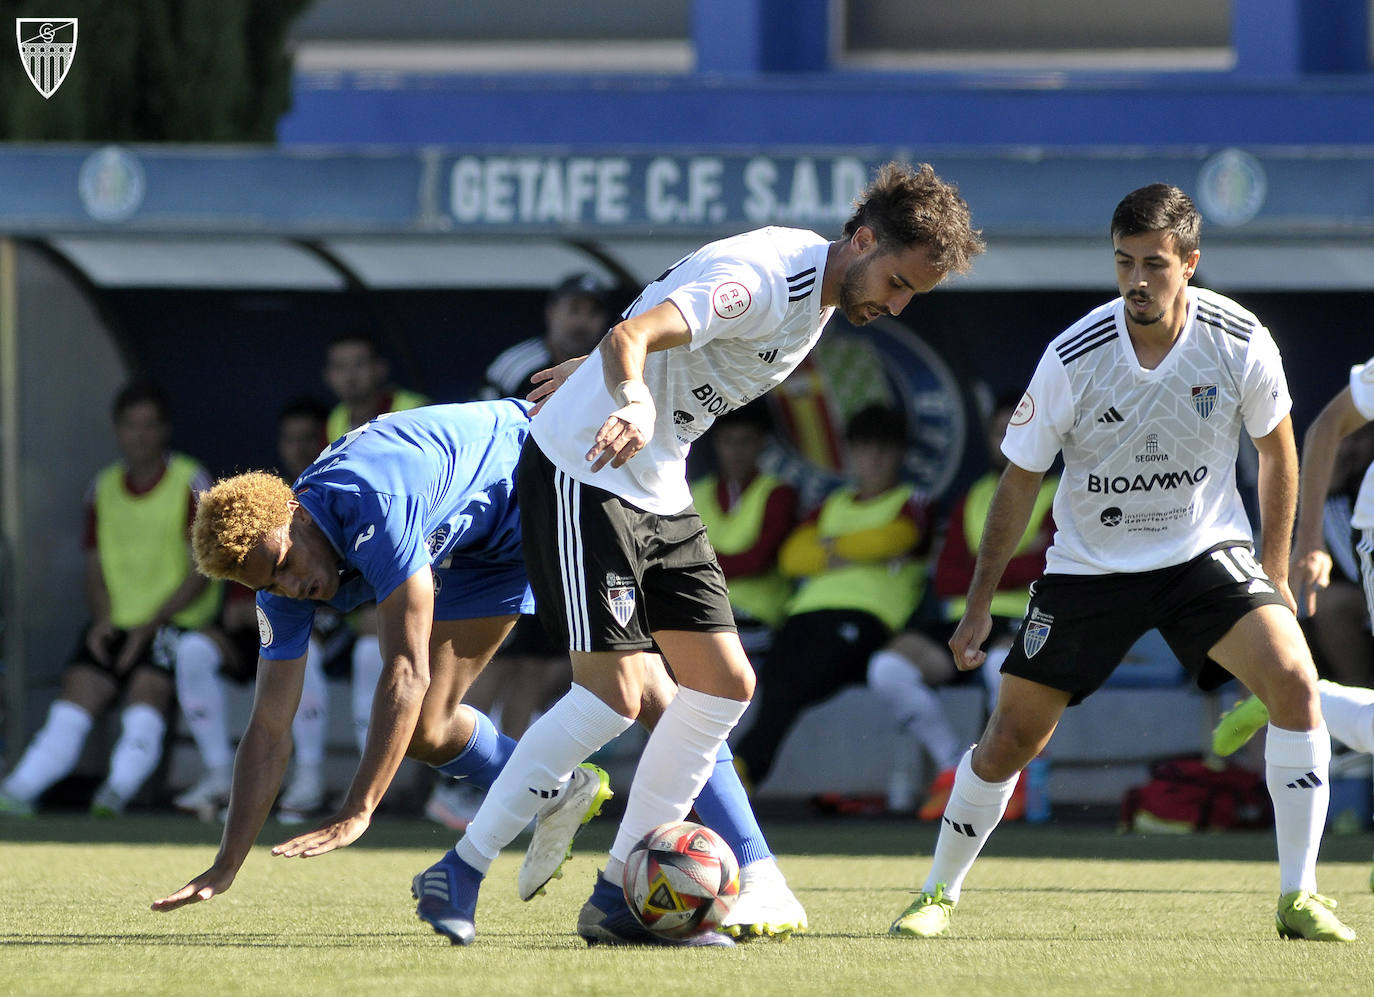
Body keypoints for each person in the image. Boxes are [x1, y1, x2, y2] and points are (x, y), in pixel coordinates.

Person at [410, 160, 984, 947]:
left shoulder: (823, 294)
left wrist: (605, 378)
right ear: (861, 240)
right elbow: (631, 333)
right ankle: (462, 866)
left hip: (658, 482)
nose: (897, 303)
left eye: (913, 294)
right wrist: (628, 392)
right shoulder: (764, 279)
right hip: (588, 470)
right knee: (611, 697)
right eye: (897, 281)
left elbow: (663, 326)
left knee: (723, 683)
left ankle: (618, 890)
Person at [150, 400, 804, 945]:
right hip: (482, 542)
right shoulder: (278, 586)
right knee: (429, 729)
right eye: (273, 584)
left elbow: (403, 670)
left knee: (649, 688)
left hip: (554, 479)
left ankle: (758, 870)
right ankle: (563, 787)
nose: (298, 588)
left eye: (288, 564)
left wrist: (358, 808)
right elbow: (268, 726)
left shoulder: (374, 501)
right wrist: (226, 862)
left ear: (294, 510)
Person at [889, 183, 1355, 943]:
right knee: (1011, 735)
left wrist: (1272, 568)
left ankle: (1298, 896)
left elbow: (1277, 449)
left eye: (1154, 264)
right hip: (1088, 567)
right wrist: (979, 603)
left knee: (1297, 683)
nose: (1137, 281)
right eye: (1123, 263)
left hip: (1203, 552)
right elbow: (1019, 480)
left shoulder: (1239, 339)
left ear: (1190, 265)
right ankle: (937, 891)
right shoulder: (1073, 356)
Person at [0, 383, 221, 817]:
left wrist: (154, 623)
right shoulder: (101, 488)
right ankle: (19, 791)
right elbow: (94, 566)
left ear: (165, 431)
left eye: (149, 425)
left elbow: (205, 567)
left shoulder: (189, 480)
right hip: (115, 621)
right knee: (76, 696)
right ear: (117, 431)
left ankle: (114, 794)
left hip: (173, 623)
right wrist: (102, 619)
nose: (139, 436)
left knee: (147, 692)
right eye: (130, 426)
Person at [732, 404, 937, 792]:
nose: (874, 459)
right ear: (851, 453)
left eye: (884, 449)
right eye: (864, 448)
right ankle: (737, 773)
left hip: (865, 620)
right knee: (773, 682)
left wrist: (828, 549)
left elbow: (896, 536)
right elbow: (793, 558)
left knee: (792, 685)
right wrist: (858, 551)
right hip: (804, 616)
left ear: (900, 454)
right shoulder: (832, 504)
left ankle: (741, 771)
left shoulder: (913, 500)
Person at [171, 397, 345, 822]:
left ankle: (309, 778)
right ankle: (217, 775)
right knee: (193, 650)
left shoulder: (335, 491)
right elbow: (239, 599)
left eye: (310, 439)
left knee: (311, 652)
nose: (300, 448)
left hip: (324, 620)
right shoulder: (258, 503)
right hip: (266, 618)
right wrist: (254, 601)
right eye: (291, 439)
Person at [906, 392, 1059, 819]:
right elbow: (948, 577)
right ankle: (954, 765)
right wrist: (1014, 560)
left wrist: (985, 564)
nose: (1008, 438)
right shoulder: (972, 496)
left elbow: (1049, 564)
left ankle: (1004, 780)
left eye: (1018, 426)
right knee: (888, 669)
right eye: (999, 430)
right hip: (968, 619)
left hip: (1031, 617)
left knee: (1001, 667)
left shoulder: (1059, 490)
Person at [689, 400, 799, 661]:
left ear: (762, 444)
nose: (736, 451)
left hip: (756, 616)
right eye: (728, 441)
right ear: (716, 444)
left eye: (746, 441)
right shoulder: (695, 492)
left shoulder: (778, 493)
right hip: (700, 609)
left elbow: (757, 560)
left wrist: (696, 568)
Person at [481, 272, 614, 401]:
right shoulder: (515, 365)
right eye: (574, 309)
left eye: (593, 312)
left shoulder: (612, 366)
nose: (582, 321)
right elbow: (485, 418)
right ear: (551, 312)